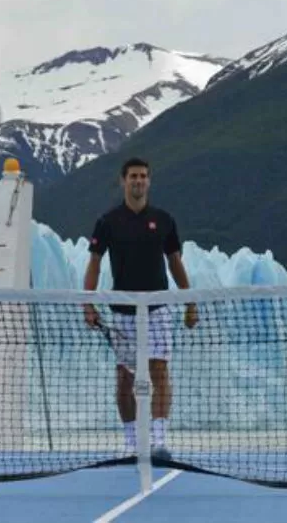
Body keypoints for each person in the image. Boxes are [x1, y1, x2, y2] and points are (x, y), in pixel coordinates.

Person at [82, 157, 197, 458]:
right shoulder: (108, 222)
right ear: (123, 181)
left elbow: (175, 263)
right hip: (123, 312)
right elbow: (93, 263)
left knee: (159, 372)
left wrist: (190, 301)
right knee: (124, 378)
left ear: (149, 181)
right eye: (133, 176)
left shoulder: (164, 220)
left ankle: (158, 441)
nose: (138, 181)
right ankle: (132, 442)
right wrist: (88, 304)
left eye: (143, 176)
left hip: (158, 310)